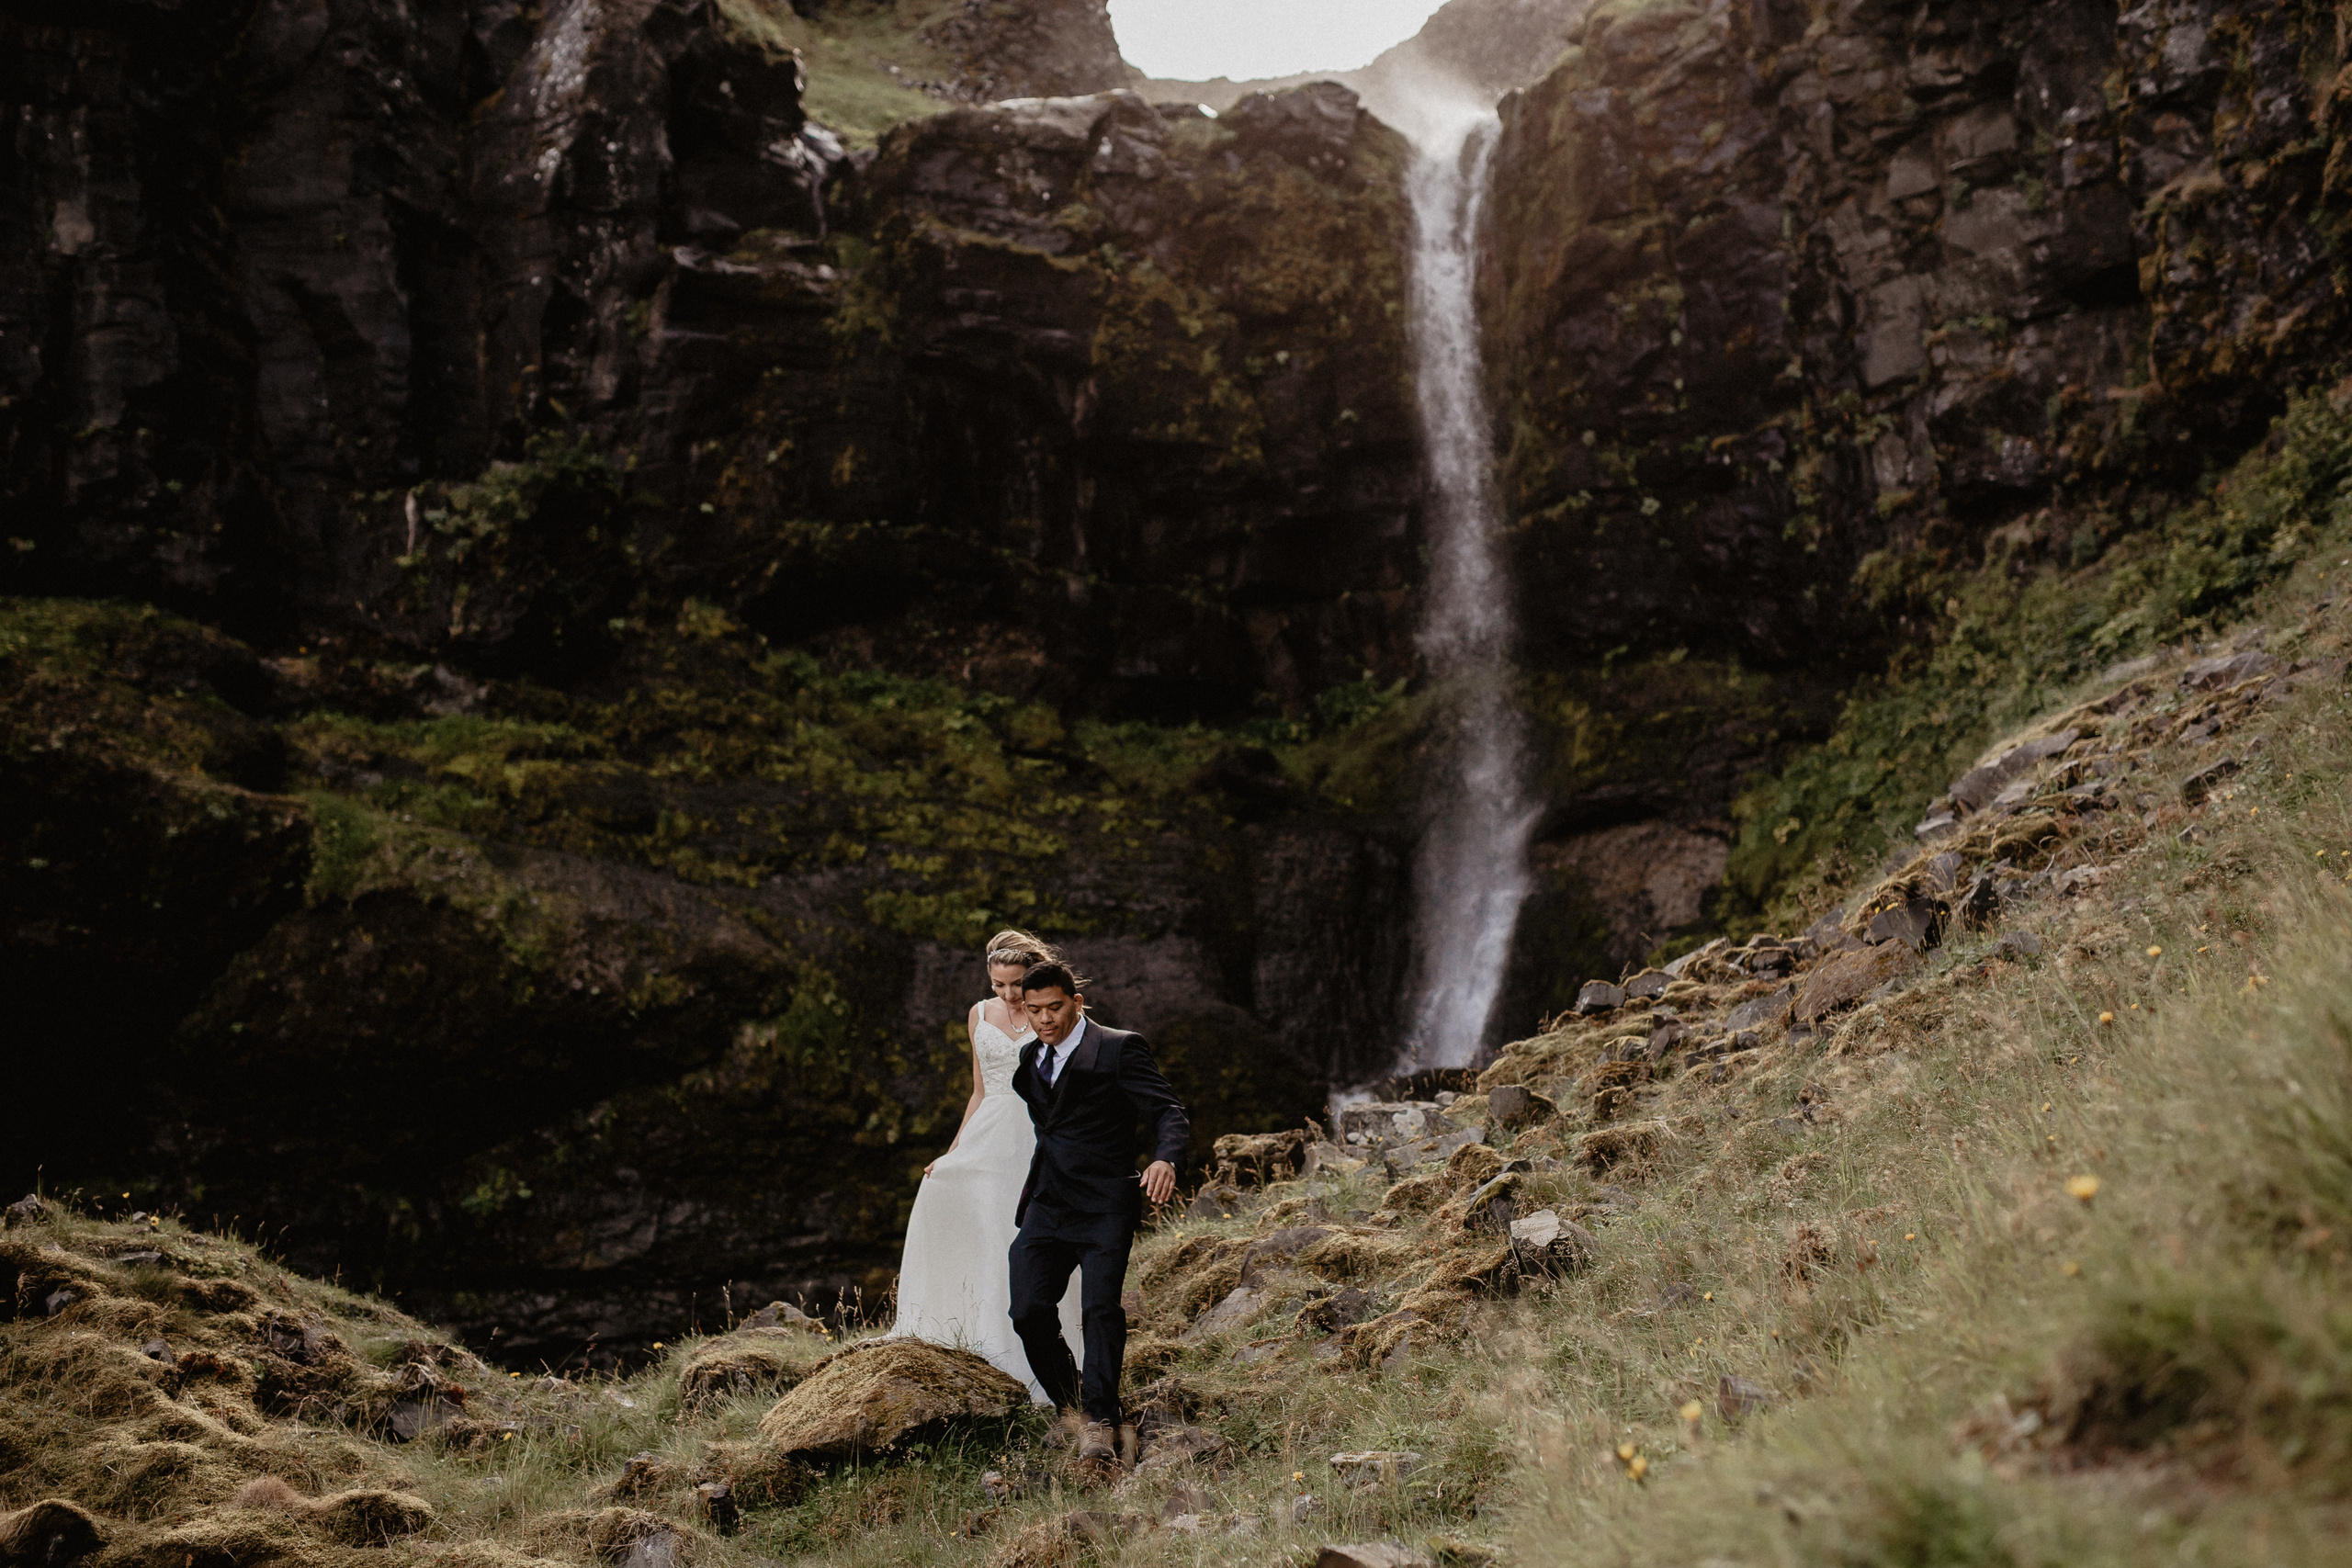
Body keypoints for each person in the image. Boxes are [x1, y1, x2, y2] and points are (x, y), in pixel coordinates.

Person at [1007, 960, 1189, 1469]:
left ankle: (1102, 1416)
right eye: (1035, 1010)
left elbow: (1168, 1111)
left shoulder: (1117, 1047)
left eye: (1055, 1008)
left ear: (1077, 1002)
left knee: (1100, 1310)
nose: (1045, 1019)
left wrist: (1164, 1158)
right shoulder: (1028, 1057)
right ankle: (1071, 1406)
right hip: (1047, 1203)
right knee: (1028, 1311)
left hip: (1106, 1202)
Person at [888, 931, 1082, 1400]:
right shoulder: (978, 1013)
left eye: (1016, 984)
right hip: (990, 1129)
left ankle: (1042, 1352)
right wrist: (954, 1150)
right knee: (947, 1196)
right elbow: (979, 1090)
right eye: (998, 984)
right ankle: (964, 1333)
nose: (1009, 995)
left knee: (1018, 1232)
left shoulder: (1053, 1011)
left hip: (1038, 1131)